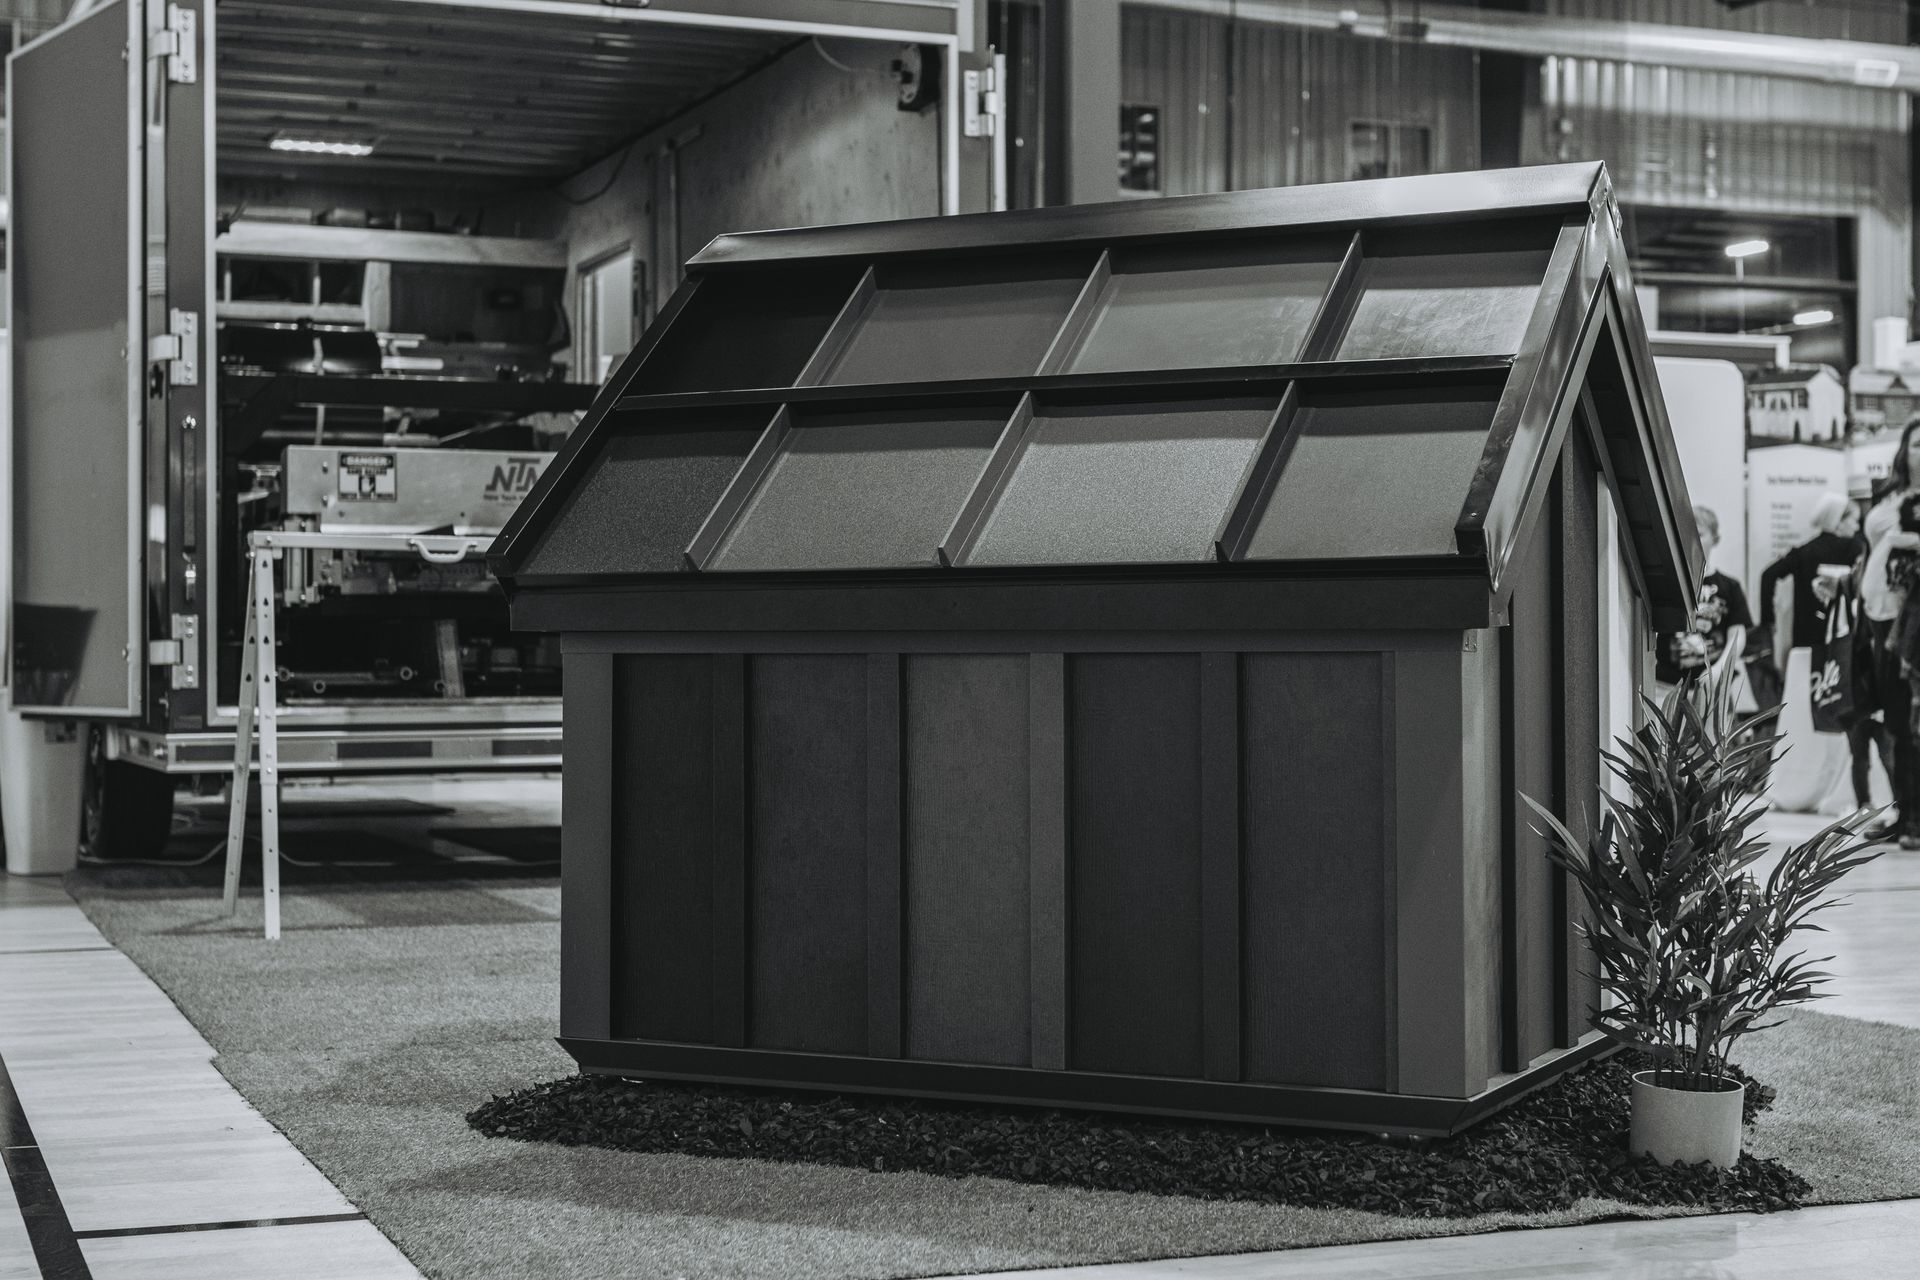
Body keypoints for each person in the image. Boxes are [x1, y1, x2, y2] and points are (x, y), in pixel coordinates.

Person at [1861, 421, 1920, 848]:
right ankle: (1905, 810)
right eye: (1917, 443)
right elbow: (1870, 551)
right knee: (1892, 721)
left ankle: (1914, 817)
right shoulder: (1889, 494)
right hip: (1876, 616)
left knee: (1910, 720)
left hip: (1912, 621)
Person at [1655, 505, 1753, 690]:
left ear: (1715, 539)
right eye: (1686, 533)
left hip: (1713, 684)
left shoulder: (1729, 586)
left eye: (1700, 534)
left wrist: (1720, 668)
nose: (1693, 540)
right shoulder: (1668, 581)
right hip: (1666, 683)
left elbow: (1737, 635)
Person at [1758, 492, 1865, 654]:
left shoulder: (1803, 552)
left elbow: (1768, 576)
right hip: (1844, 637)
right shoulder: (1856, 549)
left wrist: (1768, 621)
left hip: (1806, 638)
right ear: (1838, 521)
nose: (1857, 527)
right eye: (1854, 521)